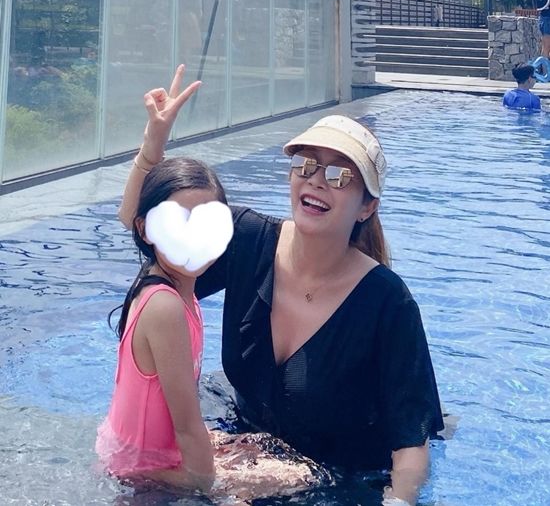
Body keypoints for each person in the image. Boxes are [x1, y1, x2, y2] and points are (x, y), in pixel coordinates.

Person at [119, 65, 444, 506]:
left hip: (339, 479)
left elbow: (410, 443)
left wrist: (399, 501)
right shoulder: (247, 239)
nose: (316, 180)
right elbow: (146, 232)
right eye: (305, 165)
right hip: (246, 450)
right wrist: (152, 148)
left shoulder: (387, 302)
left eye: (339, 175)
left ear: (366, 207)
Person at [96, 156, 227, 492]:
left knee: (271, 458)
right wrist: (213, 489)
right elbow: (187, 427)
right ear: (147, 230)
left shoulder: (183, 293)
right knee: (294, 479)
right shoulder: (164, 306)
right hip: (139, 475)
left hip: (137, 454)